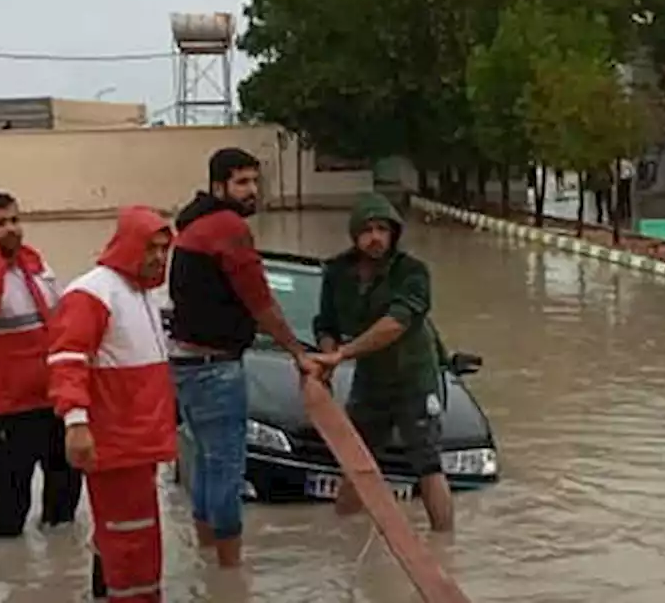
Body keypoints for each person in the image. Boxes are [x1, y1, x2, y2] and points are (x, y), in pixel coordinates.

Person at [169, 147, 318, 567]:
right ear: (220, 187)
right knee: (228, 470)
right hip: (216, 366)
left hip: (185, 363)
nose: (252, 190)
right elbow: (261, 302)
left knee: (204, 463)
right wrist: (296, 352)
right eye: (242, 182)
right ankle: (231, 575)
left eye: (255, 181)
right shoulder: (227, 227)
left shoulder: (192, 224)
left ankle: (207, 561)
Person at [47, 206, 177, 603]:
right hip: (116, 441)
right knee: (131, 541)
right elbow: (67, 360)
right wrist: (76, 422)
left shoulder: (141, 293)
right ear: (128, 245)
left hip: (139, 440)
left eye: (163, 249)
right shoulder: (93, 293)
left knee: (125, 534)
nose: (158, 257)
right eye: (150, 247)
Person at [311, 192, 454, 532]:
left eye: (382, 229)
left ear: (394, 234)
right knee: (356, 462)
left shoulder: (413, 272)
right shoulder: (337, 272)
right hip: (370, 380)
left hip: (414, 379)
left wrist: (341, 354)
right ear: (354, 234)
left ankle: (445, 546)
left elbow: (395, 323)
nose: (375, 237)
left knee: (428, 464)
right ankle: (345, 538)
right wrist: (326, 358)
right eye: (367, 229)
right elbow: (326, 322)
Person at [0, 191, 82, 539]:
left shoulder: (36, 267)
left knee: (66, 479)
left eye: (14, 220)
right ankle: (7, 571)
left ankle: (60, 566)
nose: (11, 229)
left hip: (47, 397)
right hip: (0, 406)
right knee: (12, 491)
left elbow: (61, 323)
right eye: (0, 224)